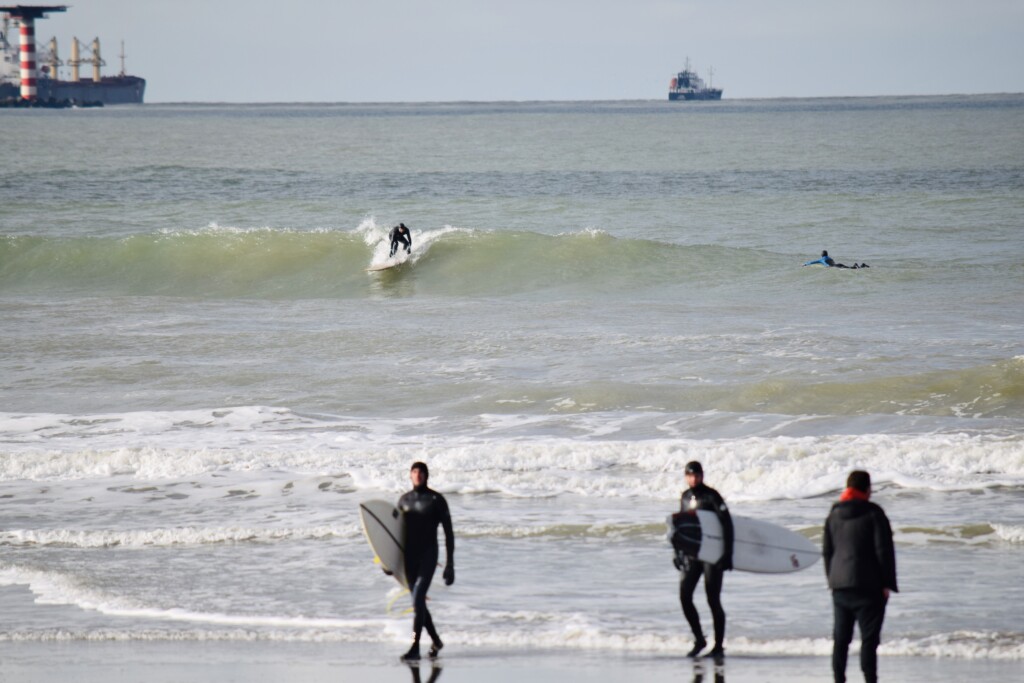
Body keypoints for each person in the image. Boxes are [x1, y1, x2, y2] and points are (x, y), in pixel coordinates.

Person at [823, 470, 898, 683]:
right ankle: (870, 680)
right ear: (867, 489)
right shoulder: (874, 513)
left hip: (840, 586)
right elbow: (884, 550)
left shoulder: (834, 513)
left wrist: (832, 580)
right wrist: (887, 584)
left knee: (841, 639)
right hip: (870, 587)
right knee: (869, 641)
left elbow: (828, 551)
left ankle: (838, 680)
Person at [671, 461, 733, 662]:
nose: (694, 479)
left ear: (702, 475)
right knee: (684, 596)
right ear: (686, 477)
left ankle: (718, 646)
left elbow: (727, 524)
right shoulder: (685, 497)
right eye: (690, 475)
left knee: (712, 599)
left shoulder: (712, 496)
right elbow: (682, 526)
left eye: (697, 475)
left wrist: (727, 554)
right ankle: (699, 640)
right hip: (692, 554)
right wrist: (677, 553)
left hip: (712, 555)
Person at [396, 461, 455, 662]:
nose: (418, 474)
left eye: (421, 471)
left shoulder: (437, 500)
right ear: (410, 475)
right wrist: (389, 562)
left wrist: (450, 564)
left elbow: (449, 534)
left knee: (418, 597)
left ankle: (414, 646)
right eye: (414, 471)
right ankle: (436, 640)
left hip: (429, 555)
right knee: (418, 601)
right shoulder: (403, 501)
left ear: (427, 475)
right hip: (409, 558)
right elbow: (394, 535)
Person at [803, 250, 869, 269]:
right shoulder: (830, 258)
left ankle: (860, 265)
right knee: (850, 268)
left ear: (822, 255)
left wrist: (805, 264)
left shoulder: (821, 260)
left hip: (835, 267)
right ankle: (861, 265)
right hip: (838, 264)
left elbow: (812, 262)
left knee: (851, 269)